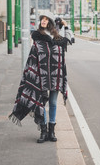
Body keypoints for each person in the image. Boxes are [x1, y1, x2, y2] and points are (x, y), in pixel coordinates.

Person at [9, 12, 71, 143]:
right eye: (42, 19)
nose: (43, 21)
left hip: (54, 75)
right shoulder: (37, 36)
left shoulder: (56, 37)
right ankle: (43, 131)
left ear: (50, 22)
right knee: (41, 103)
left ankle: (51, 131)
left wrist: (66, 26)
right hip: (41, 76)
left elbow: (68, 42)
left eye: (46, 19)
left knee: (53, 103)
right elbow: (35, 55)